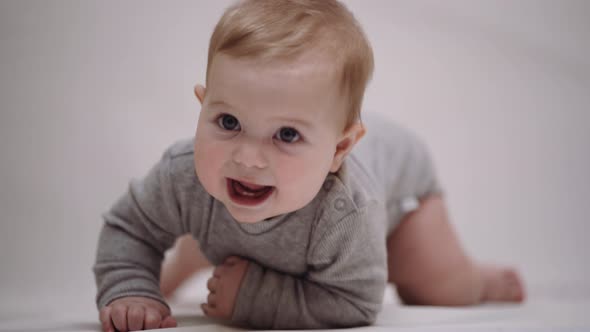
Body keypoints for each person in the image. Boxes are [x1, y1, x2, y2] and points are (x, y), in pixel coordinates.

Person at [94, 1, 525, 331]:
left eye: (286, 135)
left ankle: (479, 280)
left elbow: (356, 303)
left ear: (339, 148)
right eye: (229, 122)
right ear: (202, 106)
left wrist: (255, 299)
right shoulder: (186, 173)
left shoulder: (348, 210)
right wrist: (130, 288)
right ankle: (201, 248)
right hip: (258, 225)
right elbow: (129, 227)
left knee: (435, 285)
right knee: (206, 209)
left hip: (401, 202)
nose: (247, 158)